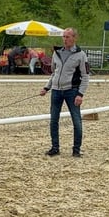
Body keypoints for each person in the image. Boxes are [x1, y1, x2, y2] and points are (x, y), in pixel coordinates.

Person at [39, 28, 89, 157]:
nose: (65, 39)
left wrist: (80, 94)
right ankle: (55, 147)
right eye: (64, 37)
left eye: (67, 37)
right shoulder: (57, 53)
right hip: (56, 91)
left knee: (76, 120)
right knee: (53, 120)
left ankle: (76, 149)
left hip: (72, 91)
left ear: (74, 38)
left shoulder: (81, 55)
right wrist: (46, 87)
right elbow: (54, 73)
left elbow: (85, 76)